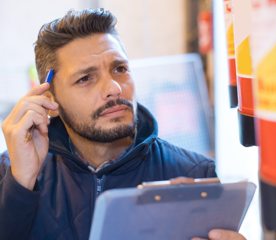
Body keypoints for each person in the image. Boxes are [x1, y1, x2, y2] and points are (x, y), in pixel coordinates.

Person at [0, 8, 246, 240]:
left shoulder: (195, 173)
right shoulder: (13, 173)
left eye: (120, 68)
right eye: (85, 78)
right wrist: (21, 182)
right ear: (49, 98)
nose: (114, 88)